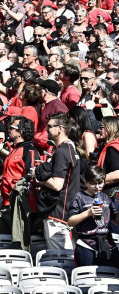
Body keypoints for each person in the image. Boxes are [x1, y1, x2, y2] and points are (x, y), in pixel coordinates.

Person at [33, 113, 80, 250]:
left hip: (58, 215)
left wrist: (38, 175)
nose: (46, 130)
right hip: (67, 212)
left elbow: (57, 184)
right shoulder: (71, 147)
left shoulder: (62, 151)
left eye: (49, 127)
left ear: (60, 128)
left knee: (60, 261)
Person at [66, 166, 119, 267]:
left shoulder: (106, 197)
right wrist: (88, 213)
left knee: (111, 276)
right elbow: (70, 221)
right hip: (86, 244)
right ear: (86, 183)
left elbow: (115, 220)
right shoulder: (80, 197)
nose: (97, 186)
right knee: (87, 277)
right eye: (93, 183)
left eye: (100, 183)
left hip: (107, 243)